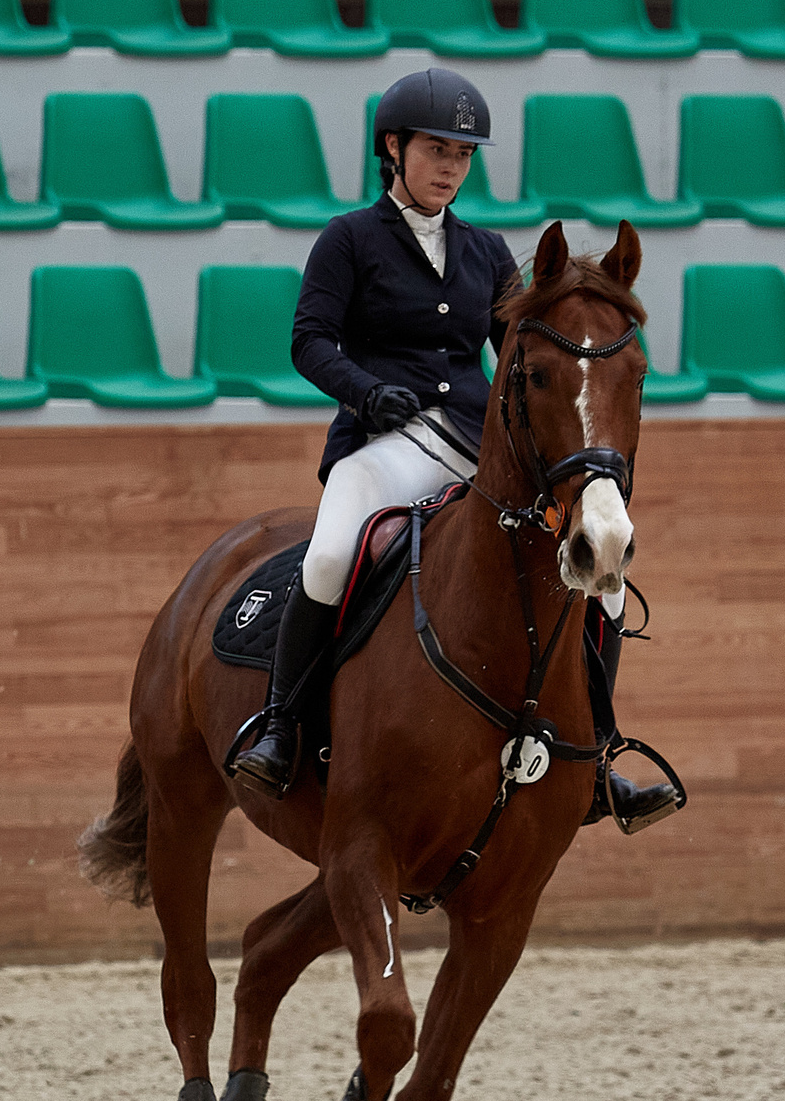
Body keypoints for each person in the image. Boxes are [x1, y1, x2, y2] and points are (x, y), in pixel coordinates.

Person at [230, 67, 680, 833]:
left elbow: (522, 353)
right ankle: (280, 727)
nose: (450, 167)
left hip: (470, 446)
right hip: (381, 440)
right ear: (393, 148)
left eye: (463, 155)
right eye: (436, 150)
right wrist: (366, 390)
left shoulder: (486, 251)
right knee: (331, 554)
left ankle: (599, 756)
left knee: (602, 580)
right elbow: (309, 340)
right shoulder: (349, 239)